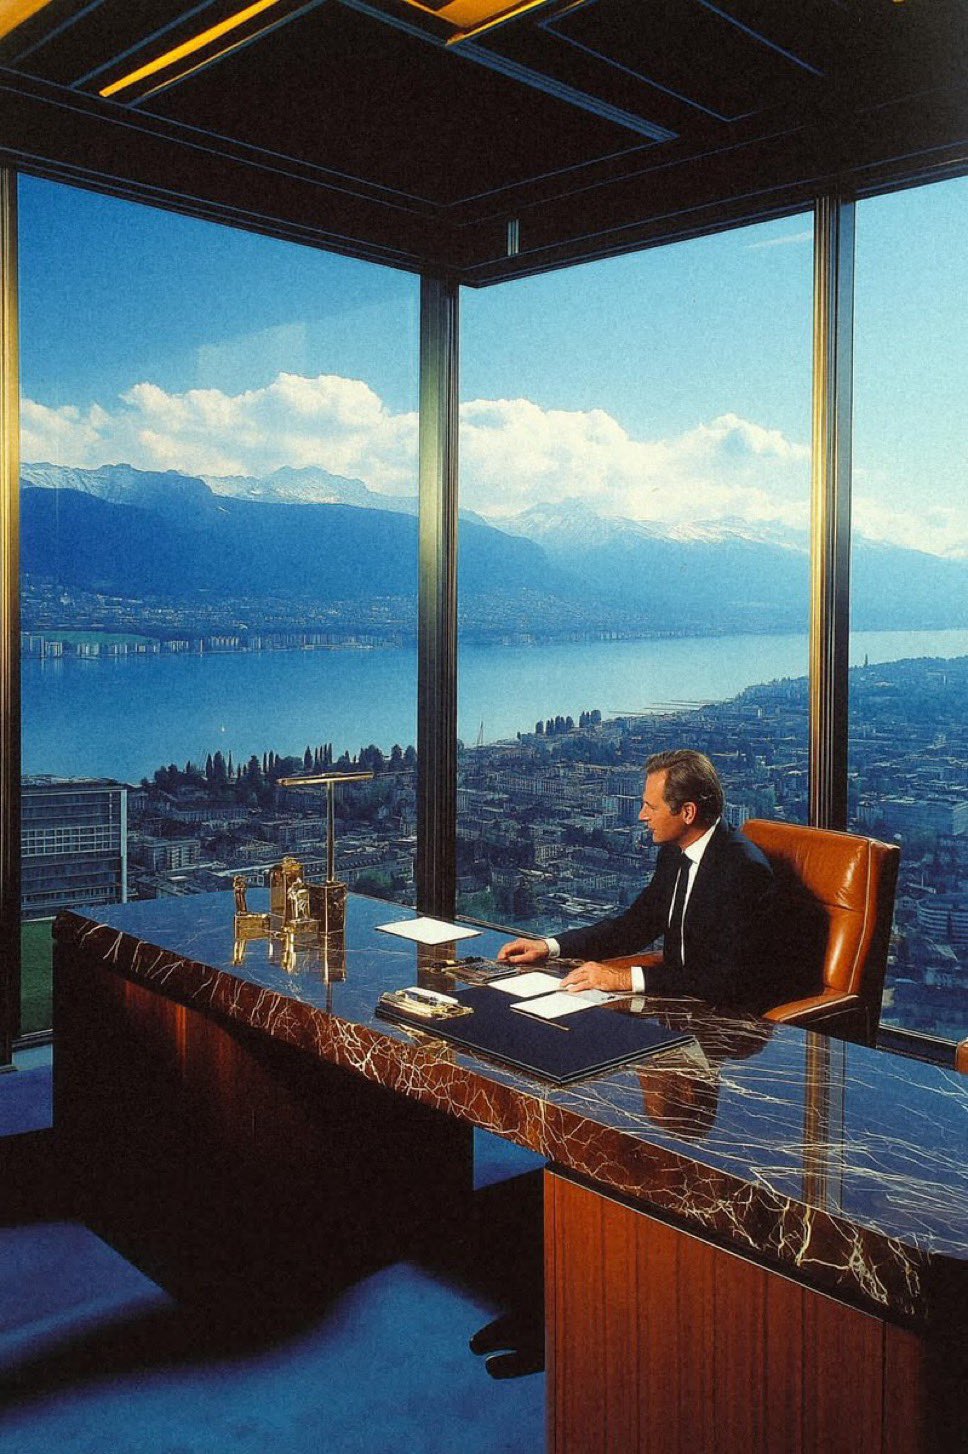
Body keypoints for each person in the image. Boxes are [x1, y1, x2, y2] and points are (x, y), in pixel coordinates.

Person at [497, 748, 779, 1014]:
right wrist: (549, 946)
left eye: (650, 807)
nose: (642, 816)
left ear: (687, 812)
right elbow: (634, 926)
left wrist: (624, 978)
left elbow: (725, 977)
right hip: (678, 1001)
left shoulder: (743, 870)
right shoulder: (675, 851)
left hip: (729, 1018)